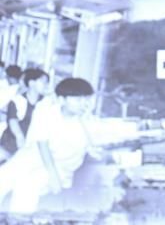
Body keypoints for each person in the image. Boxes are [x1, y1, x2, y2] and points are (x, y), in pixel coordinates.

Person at [0, 77, 102, 215]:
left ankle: (18, 220)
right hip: (34, 156)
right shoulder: (45, 112)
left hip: (60, 166)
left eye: (87, 99)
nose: (84, 104)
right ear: (61, 100)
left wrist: (93, 149)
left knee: (27, 184)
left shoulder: (88, 123)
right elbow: (42, 144)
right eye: (78, 100)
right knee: (3, 176)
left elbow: (93, 146)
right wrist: (52, 176)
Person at [0, 68, 49, 161]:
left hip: (33, 145)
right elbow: (12, 120)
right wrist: (19, 137)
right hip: (12, 142)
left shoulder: (46, 103)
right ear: (31, 83)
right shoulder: (18, 100)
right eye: (43, 82)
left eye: (47, 83)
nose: (46, 85)